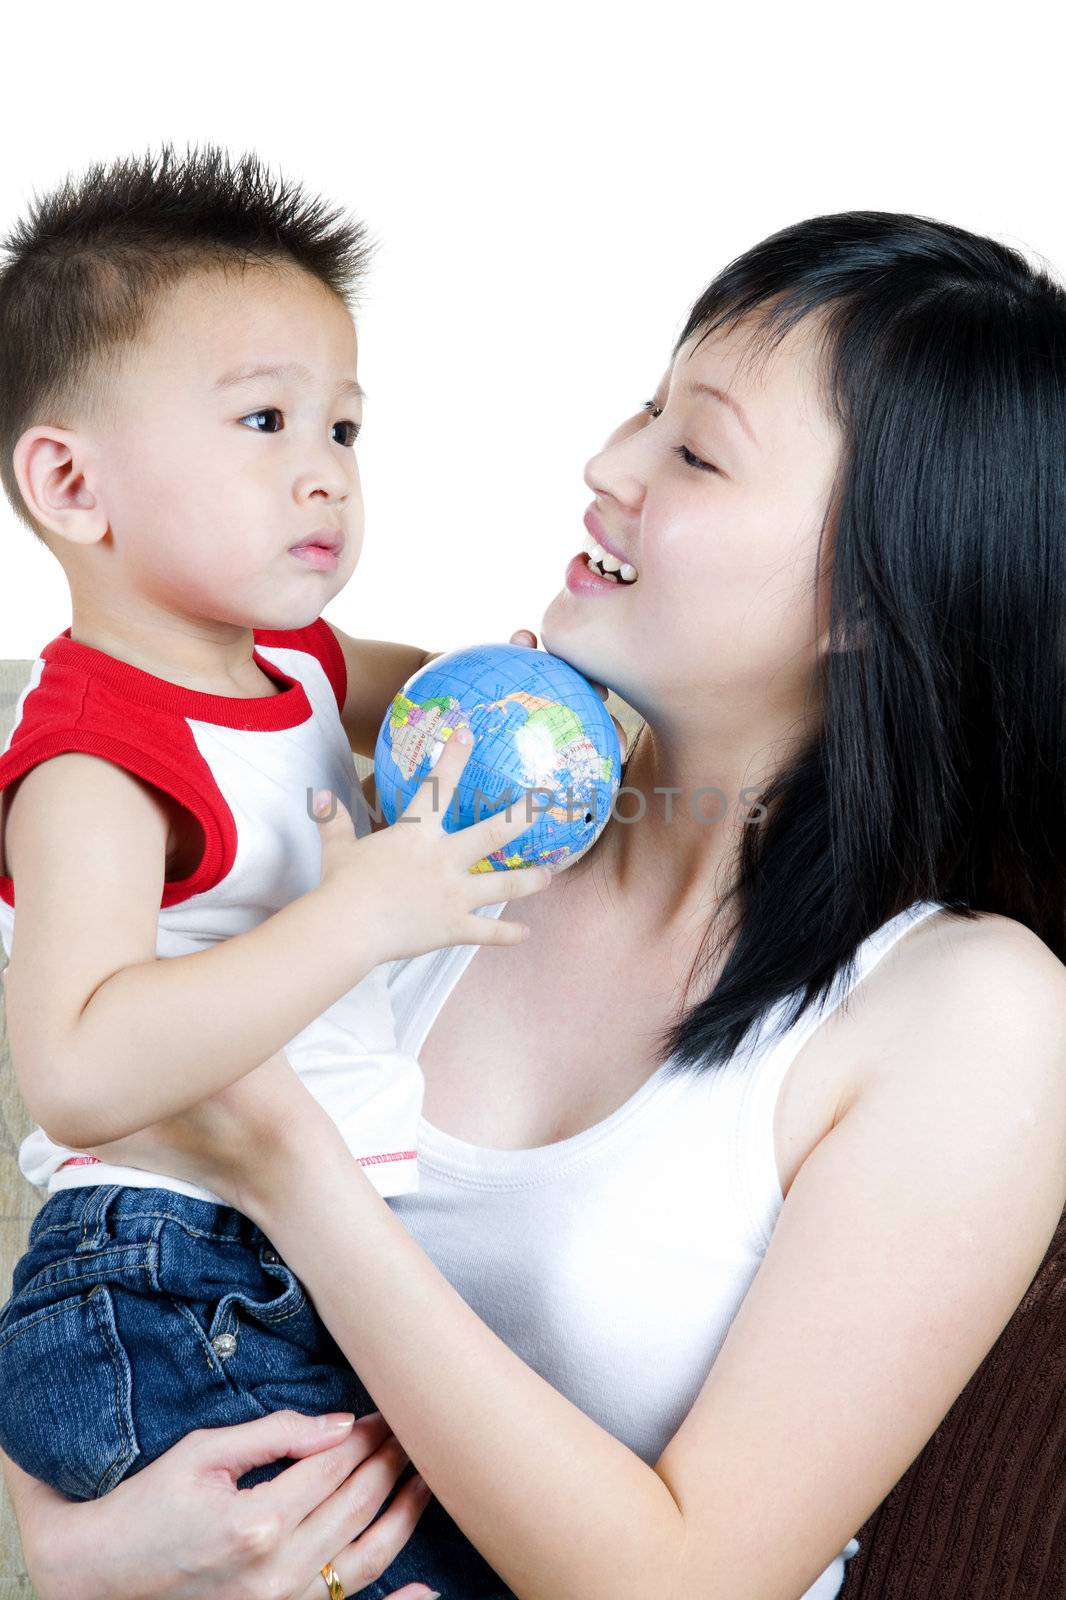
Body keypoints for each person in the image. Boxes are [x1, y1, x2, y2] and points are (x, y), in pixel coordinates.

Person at [5, 208, 1066, 1600]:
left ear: (871, 591)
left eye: (693, 448)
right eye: (644, 403)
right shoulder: (442, 786)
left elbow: (690, 1582)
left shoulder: (970, 1015)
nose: (604, 465)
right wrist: (64, 1546)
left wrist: (296, 1175)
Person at [0, 141, 554, 1511]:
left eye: (342, 429)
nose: (322, 475)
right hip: (164, 1277)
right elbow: (74, 1066)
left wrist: (540, 699)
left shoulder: (297, 658)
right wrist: (350, 920)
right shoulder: (95, 760)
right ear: (73, 486)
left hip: (300, 1251)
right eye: (263, 423)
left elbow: (424, 689)